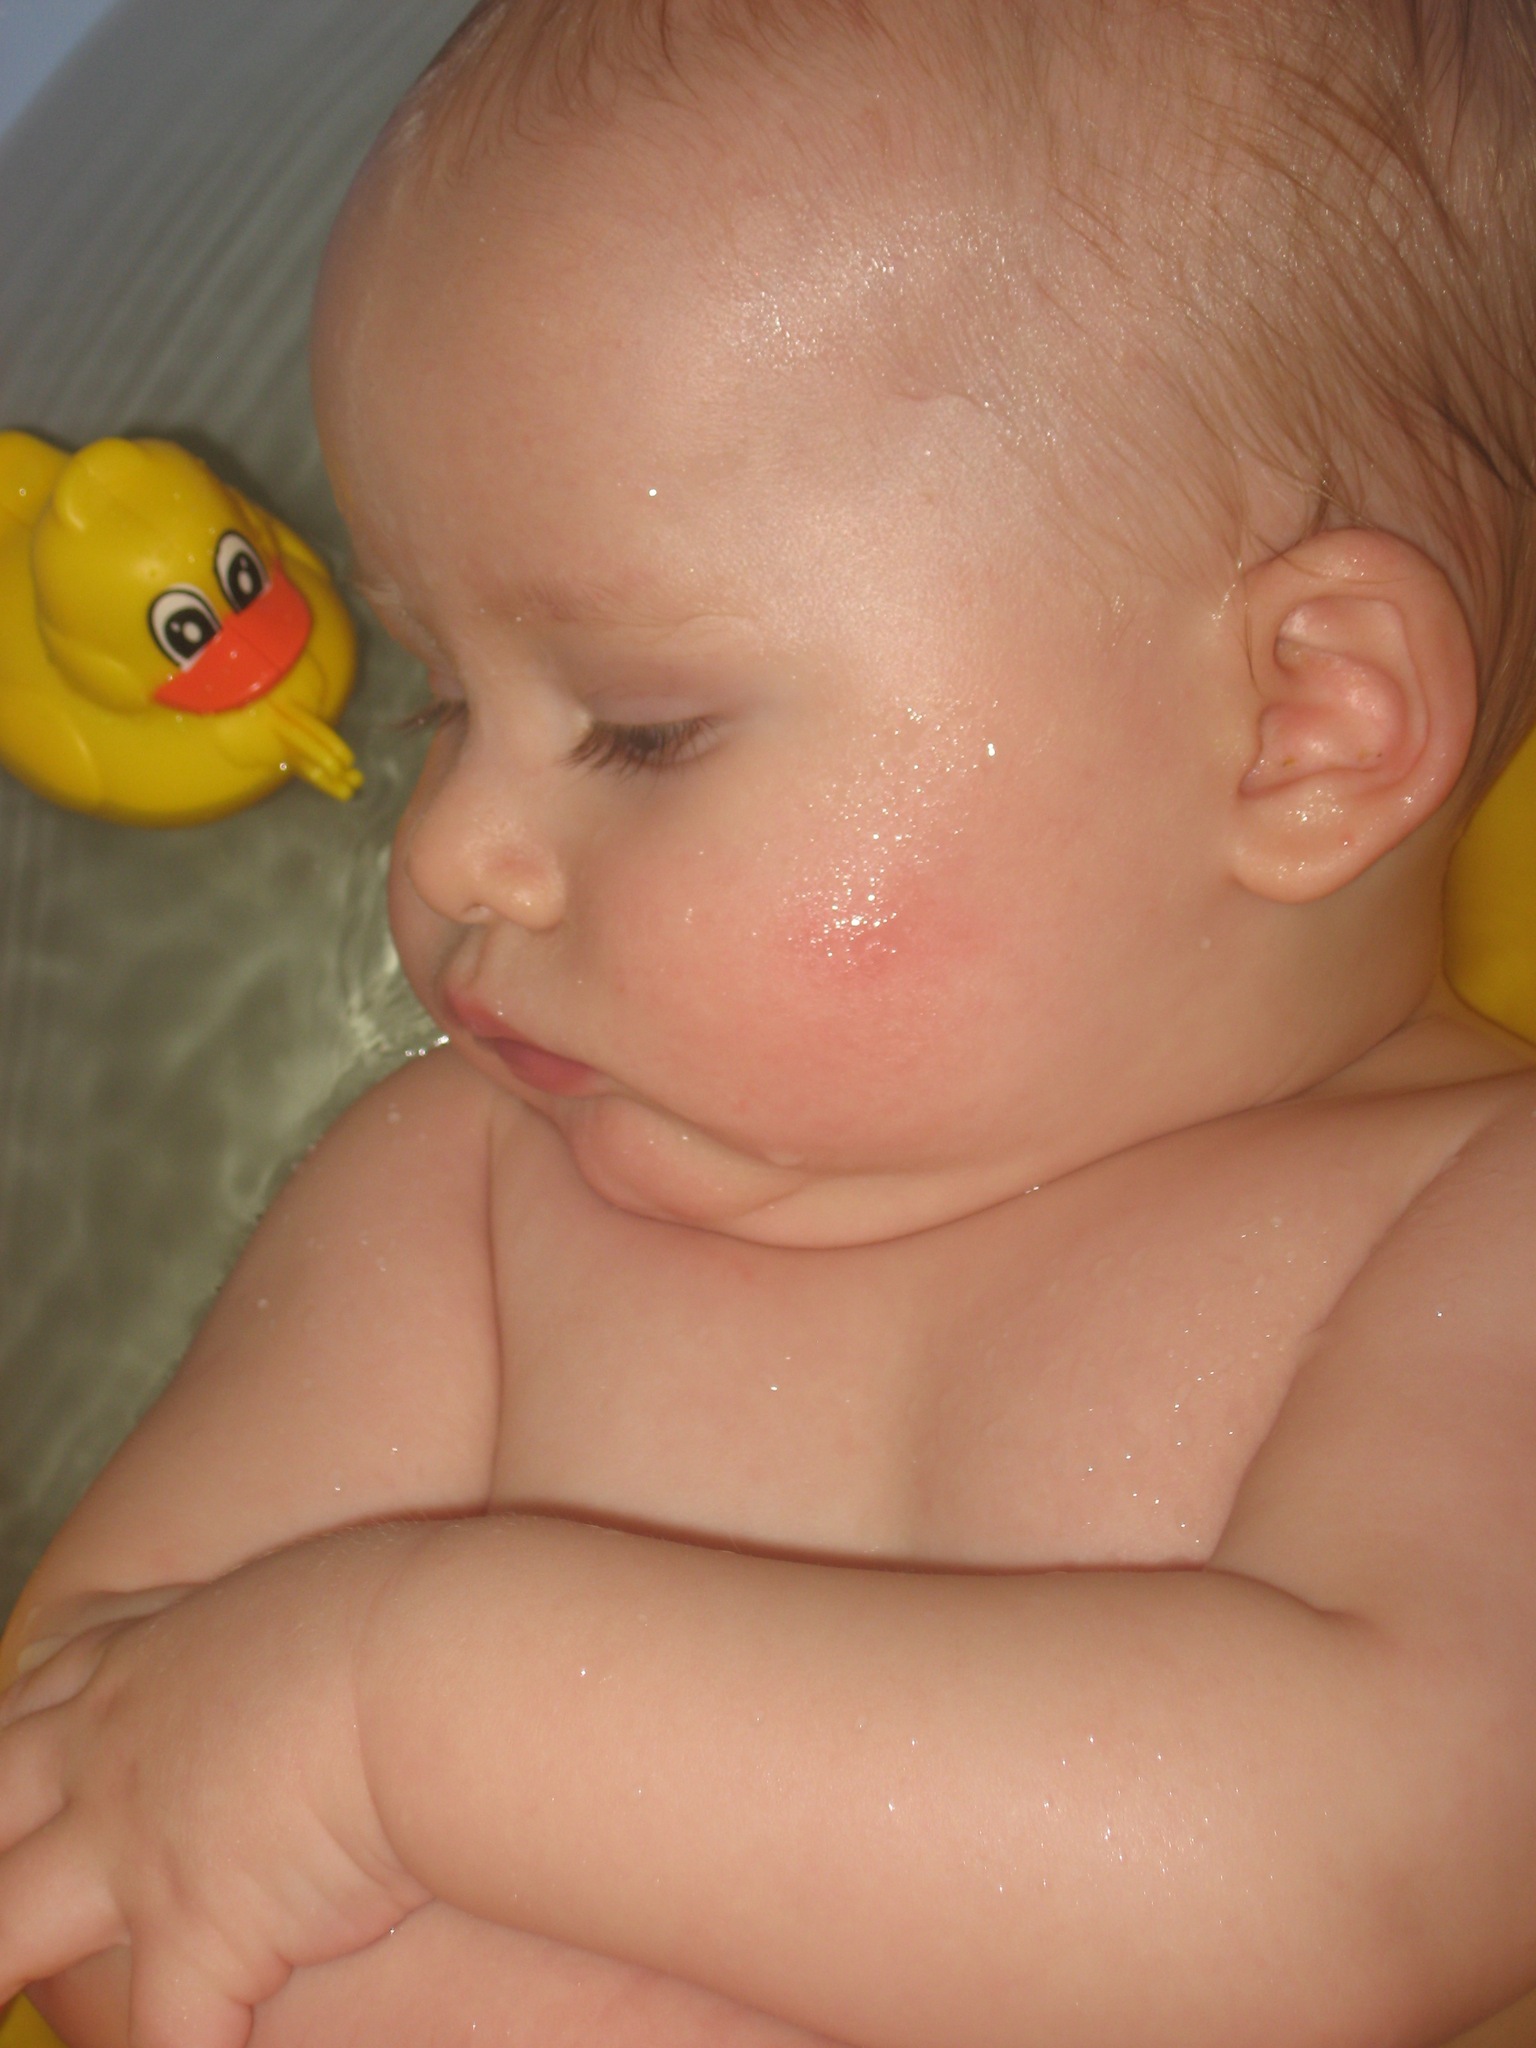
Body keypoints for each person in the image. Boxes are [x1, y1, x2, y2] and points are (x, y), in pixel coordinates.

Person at [3, 1, 1536, 2042]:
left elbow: (1359, 1864)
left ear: (1300, 727)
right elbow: (98, 1805)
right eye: (443, 695)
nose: (449, 847)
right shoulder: (463, 1207)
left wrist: (396, 1715)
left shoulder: (1480, 1231)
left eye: (640, 728)